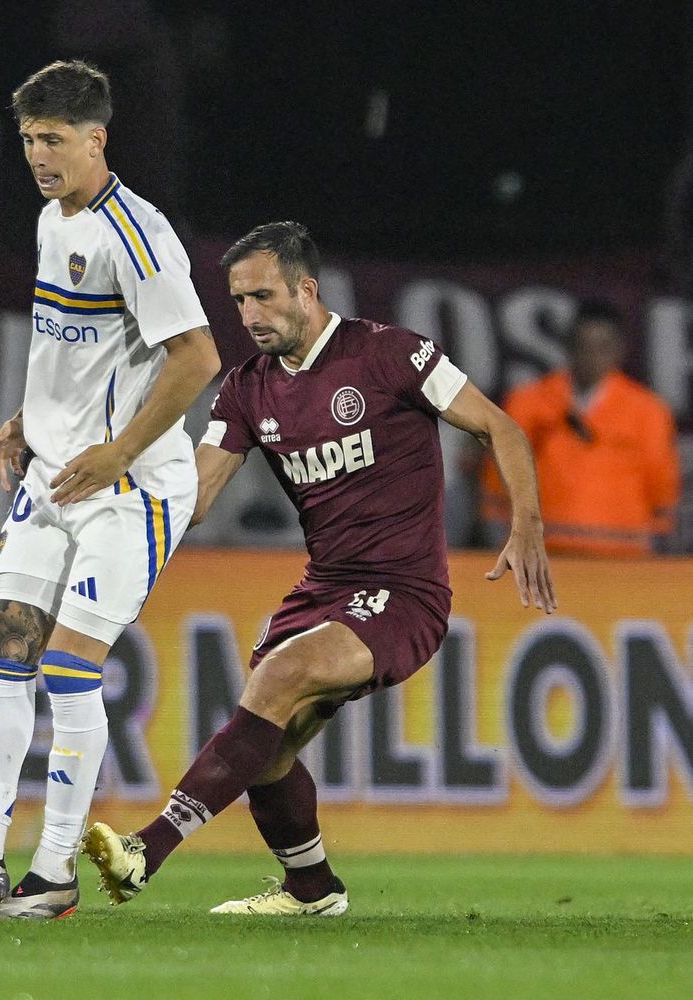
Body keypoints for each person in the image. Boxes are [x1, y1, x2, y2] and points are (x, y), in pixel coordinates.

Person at [81, 221, 556, 916]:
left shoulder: (394, 354)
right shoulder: (246, 390)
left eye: (264, 297)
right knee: (268, 745)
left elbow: (500, 427)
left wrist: (527, 525)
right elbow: (198, 492)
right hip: (324, 590)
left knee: (278, 678)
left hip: (405, 593)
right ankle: (312, 889)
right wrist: (114, 526)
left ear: (306, 289)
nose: (250, 316)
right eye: (238, 301)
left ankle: (144, 852)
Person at [0, 59, 222, 920]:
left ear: (97, 139)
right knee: (5, 643)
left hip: (133, 489)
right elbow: (74, 360)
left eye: (54, 140)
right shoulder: (53, 221)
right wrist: (22, 423)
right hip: (52, 475)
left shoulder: (138, 233)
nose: (40, 156)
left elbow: (199, 359)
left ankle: (54, 874)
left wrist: (117, 452)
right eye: (29, 140)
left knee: (71, 666)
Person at [480, 300, 680, 556]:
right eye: (583, 346)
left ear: (619, 350)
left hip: (623, 552)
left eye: (602, 348)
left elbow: (661, 483)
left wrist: (660, 537)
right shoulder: (528, 402)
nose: (591, 357)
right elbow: (499, 472)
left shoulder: (647, 410)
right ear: (569, 347)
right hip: (541, 549)